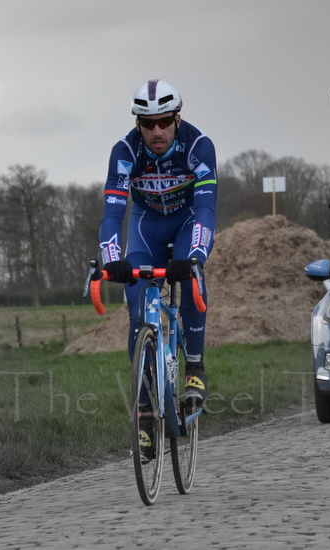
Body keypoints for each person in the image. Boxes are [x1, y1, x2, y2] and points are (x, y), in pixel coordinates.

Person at [97, 79, 218, 409]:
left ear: (177, 119)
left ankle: (194, 367)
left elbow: (206, 209)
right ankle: (146, 405)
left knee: (192, 276)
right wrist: (111, 259)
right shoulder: (125, 152)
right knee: (137, 304)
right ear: (138, 124)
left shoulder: (198, 145)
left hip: (187, 220)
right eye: (148, 124)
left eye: (165, 121)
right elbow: (112, 214)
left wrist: (194, 255)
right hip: (146, 225)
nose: (157, 131)